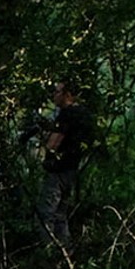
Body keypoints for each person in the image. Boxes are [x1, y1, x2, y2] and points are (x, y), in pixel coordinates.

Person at [36, 80, 94, 249]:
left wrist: (45, 139)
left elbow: (53, 144)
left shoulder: (67, 114)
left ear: (67, 94)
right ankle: (65, 250)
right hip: (73, 169)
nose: (54, 95)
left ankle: (48, 252)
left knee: (46, 214)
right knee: (61, 214)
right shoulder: (84, 114)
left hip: (58, 170)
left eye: (57, 92)